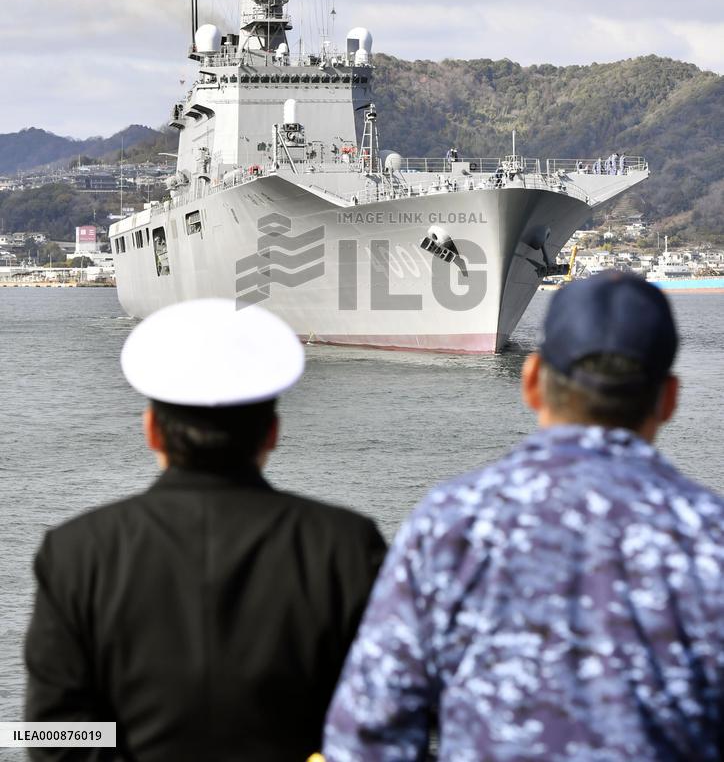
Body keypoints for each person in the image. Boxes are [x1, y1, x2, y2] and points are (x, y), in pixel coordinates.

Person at [324, 272, 724, 761]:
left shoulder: (452, 524)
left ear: (532, 381)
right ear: (669, 398)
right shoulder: (708, 536)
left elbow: (366, 736)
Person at [25, 299, 386, 762]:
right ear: (272, 432)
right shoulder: (347, 545)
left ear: (152, 430)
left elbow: (51, 735)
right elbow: (380, 719)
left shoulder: (75, 552)